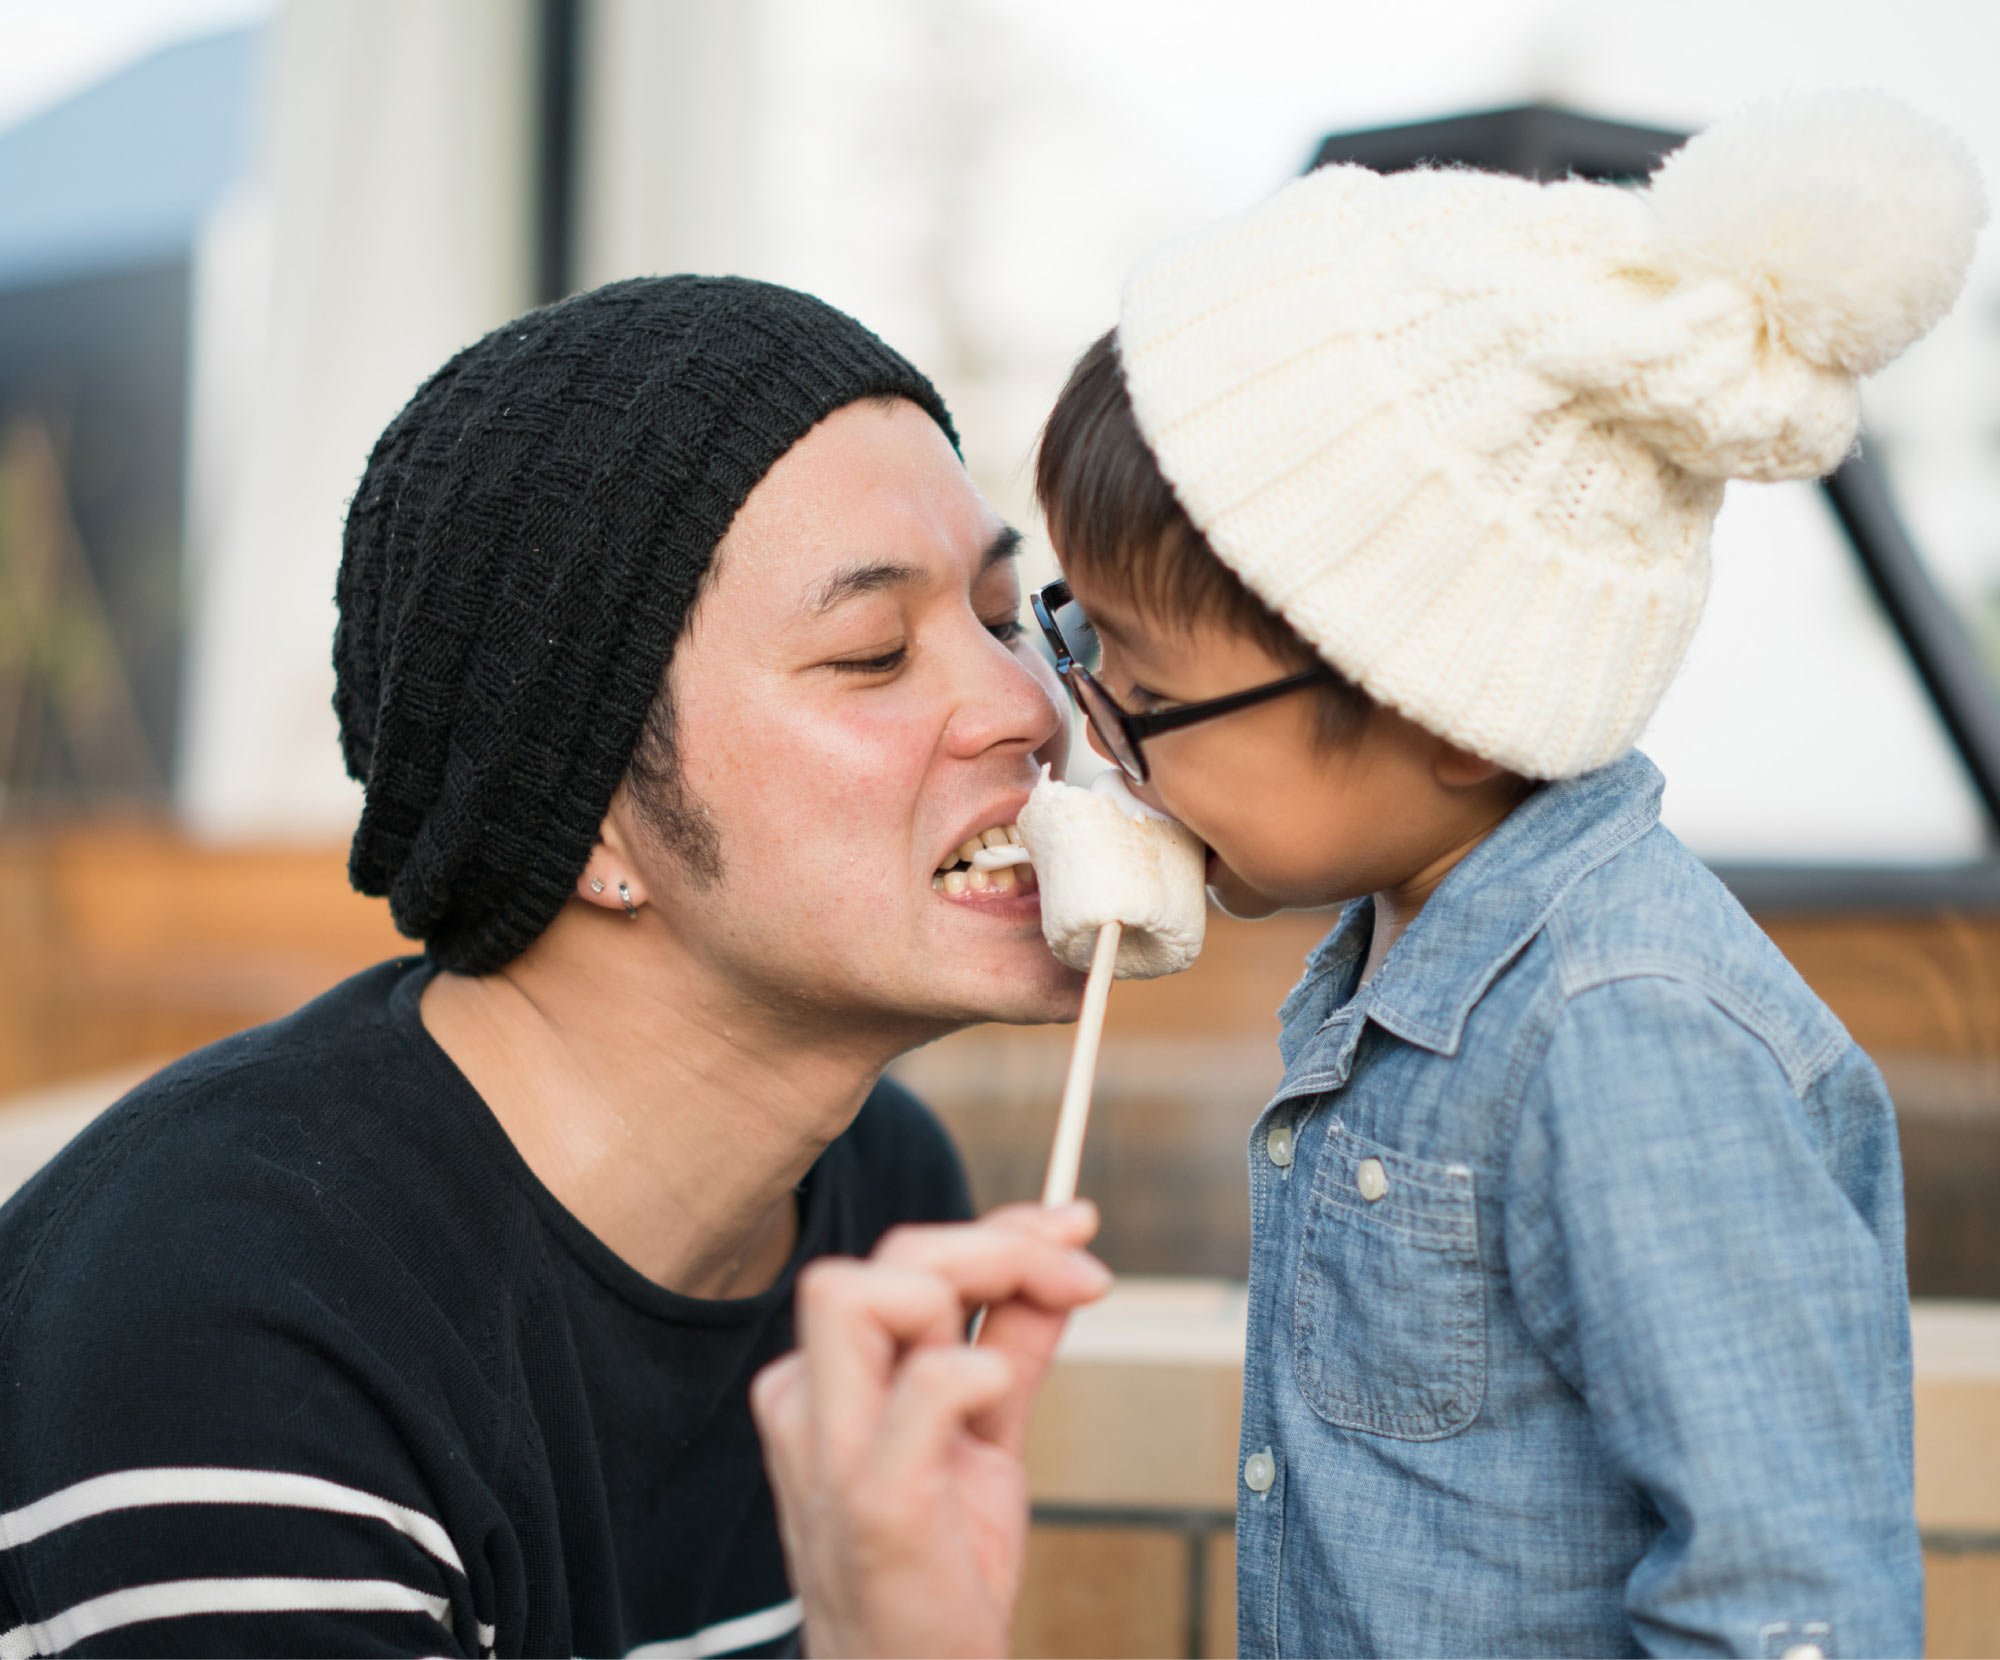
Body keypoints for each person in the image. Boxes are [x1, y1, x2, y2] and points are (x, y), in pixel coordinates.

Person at [754, 92, 1985, 1657]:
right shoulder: (1397, 958)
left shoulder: (1629, 1033)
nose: (1087, 724)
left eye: (1142, 680)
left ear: (1446, 703)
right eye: (1083, 634)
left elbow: (1791, 1604)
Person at [0, 276, 1113, 1658]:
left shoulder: (882, 1202)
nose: (1030, 706)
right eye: (873, 651)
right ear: (588, 814)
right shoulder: (231, 1315)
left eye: (1006, 618)